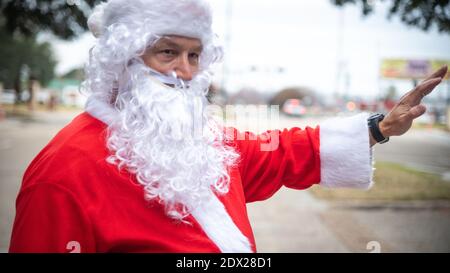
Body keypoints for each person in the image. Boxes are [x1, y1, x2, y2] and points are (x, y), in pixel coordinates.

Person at [9, 0, 447, 253]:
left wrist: (379, 127)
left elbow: (285, 150)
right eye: (167, 52)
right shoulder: (63, 172)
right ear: (123, 60)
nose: (184, 70)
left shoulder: (201, 141)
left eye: (194, 56)